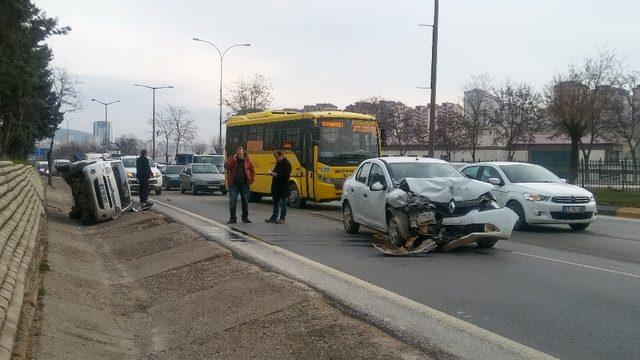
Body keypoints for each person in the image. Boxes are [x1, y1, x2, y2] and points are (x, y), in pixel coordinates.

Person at [224, 146, 255, 224]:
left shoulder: (247, 160)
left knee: (245, 201)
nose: (239, 155)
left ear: (243, 153)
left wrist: (251, 180)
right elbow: (226, 167)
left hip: (244, 184)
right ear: (236, 153)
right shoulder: (232, 159)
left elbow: (252, 170)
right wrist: (233, 160)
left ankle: (245, 217)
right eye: (238, 154)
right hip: (234, 184)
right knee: (233, 201)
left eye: (241, 153)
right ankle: (233, 218)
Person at [265, 150, 292, 224]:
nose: (276, 159)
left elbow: (286, 176)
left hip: (283, 187)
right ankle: (274, 217)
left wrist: (276, 174)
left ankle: (282, 218)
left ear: (281, 156)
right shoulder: (278, 163)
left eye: (277, 157)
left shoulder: (287, 164)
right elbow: (276, 171)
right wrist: (272, 172)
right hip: (276, 187)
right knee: (275, 203)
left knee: (283, 203)